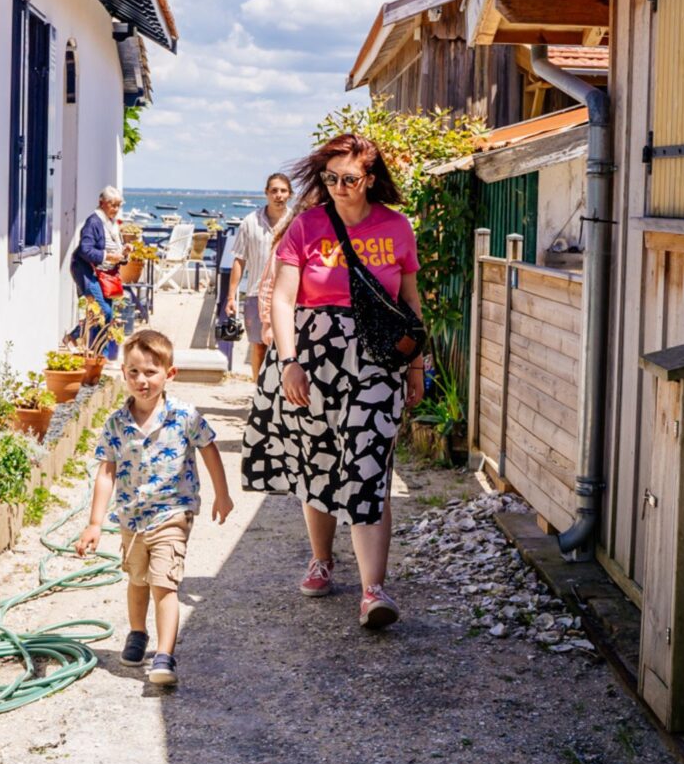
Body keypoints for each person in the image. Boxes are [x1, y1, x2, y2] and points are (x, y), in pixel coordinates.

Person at [242, 133, 425, 630]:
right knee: (319, 460)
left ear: (370, 179)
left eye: (348, 178)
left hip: (378, 360)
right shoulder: (307, 225)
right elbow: (283, 299)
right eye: (330, 178)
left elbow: (410, 302)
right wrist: (288, 362)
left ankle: (373, 591)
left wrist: (415, 366)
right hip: (314, 358)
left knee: (369, 462)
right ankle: (322, 558)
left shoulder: (396, 226)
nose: (339, 187)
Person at [75, 328, 234, 686]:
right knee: (137, 579)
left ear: (169, 373)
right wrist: (95, 523)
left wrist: (222, 494)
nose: (141, 380)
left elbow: (209, 449)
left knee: (164, 582)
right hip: (132, 518)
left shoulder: (184, 416)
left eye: (150, 372)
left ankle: (164, 655)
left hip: (173, 514)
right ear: (123, 373)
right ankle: (137, 633)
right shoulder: (116, 424)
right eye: (133, 372)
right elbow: (106, 471)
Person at [225, 173, 293, 379]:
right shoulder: (250, 222)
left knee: (287, 348)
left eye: (283, 191)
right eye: (274, 190)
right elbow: (239, 260)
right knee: (259, 347)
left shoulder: (296, 221)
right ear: (266, 193)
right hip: (256, 293)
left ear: (289, 194)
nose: (279, 195)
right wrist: (231, 296)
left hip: (289, 296)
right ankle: (257, 391)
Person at [68, 186, 126, 357]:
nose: (116, 209)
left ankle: (97, 353)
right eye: (112, 205)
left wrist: (124, 252)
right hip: (87, 271)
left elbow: (114, 250)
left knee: (104, 313)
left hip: (105, 274)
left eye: (118, 205)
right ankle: (96, 352)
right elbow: (85, 249)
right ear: (102, 203)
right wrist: (108, 256)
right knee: (104, 311)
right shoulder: (94, 222)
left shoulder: (111, 224)